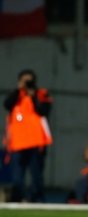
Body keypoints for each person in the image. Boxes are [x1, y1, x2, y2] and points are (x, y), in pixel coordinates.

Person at [3, 69, 52, 202]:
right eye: (25, 81)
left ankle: (37, 199)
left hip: (36, 142)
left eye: (29, 81)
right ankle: (18, 198)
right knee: (17, 177)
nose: (27, 84)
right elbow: (7, 105)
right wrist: (19, 89)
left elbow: (43, 111)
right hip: (18, 143)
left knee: (37, 176)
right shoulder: (16, 96)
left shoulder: (41, 94)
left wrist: (33, 95)